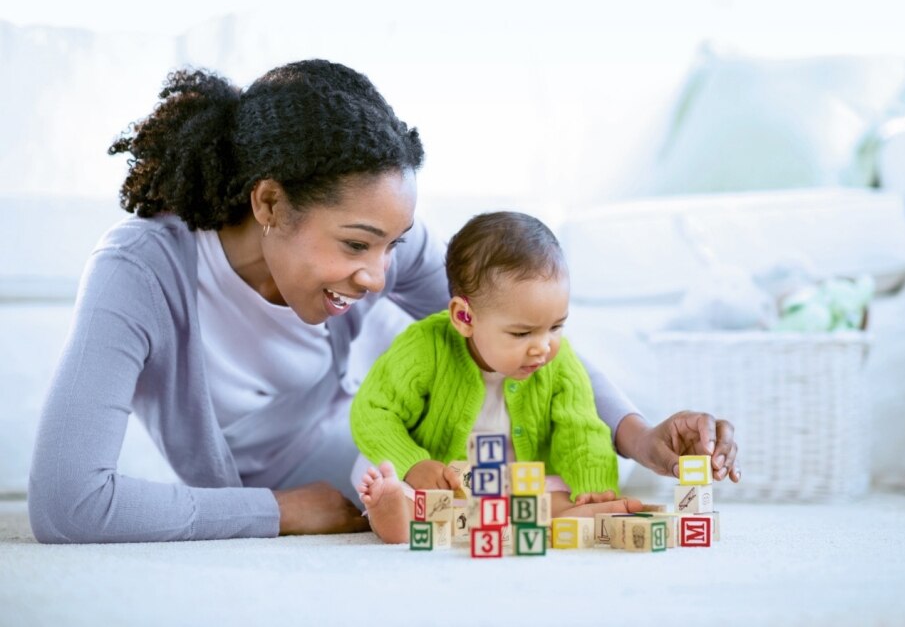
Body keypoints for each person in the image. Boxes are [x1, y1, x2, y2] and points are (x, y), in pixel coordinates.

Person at [28, 58, 739, 544]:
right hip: (320, 484)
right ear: (268, 201)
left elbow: (529, 333)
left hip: (411, 454)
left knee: (541, 481)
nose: (378, 274)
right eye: (357, 244)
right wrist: (280, 511)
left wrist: (641, 435)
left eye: (393, 246)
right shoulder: (140, 273)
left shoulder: (385, 242)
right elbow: (68, 501)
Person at [352, 212, 643, 544]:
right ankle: (396, 516)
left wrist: (593, 488)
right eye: (522, 333)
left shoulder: (560, 362)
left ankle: (570, 514)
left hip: (520, 482)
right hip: (443, 478)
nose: (543, 347)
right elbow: (374, 411)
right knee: (392, 481)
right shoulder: (423, 347)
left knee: (556, 495)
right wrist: (412, 464)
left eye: (556, 326)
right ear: (464, 317)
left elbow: (582, 431)